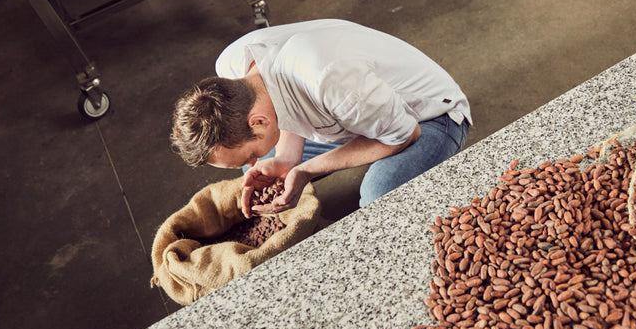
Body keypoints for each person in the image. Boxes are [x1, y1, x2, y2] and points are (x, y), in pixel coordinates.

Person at [170, 19, 471, 215]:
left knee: (378, 198)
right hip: (356, 109)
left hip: (428, 116)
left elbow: (405, 135)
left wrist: (306, 170)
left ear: (258, 121)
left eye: (248, 156)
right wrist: (286, 159)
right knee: (270, 162)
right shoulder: (232, 64)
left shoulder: (330, 80)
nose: (252, 163)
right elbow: (284, 102)